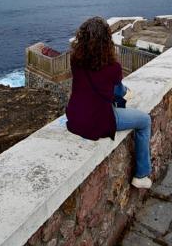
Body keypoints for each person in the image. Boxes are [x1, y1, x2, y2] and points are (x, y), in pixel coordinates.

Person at [65, 16, 152, 189]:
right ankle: (142, 174)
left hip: (75, 118)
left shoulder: (75, 60)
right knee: (145, 121)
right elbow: (118, 91)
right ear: (107, 40)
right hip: (98, 121)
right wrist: (126, 92)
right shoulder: (113, 67)